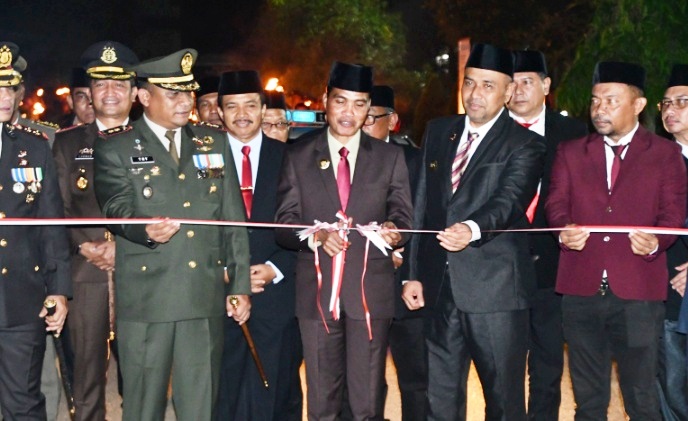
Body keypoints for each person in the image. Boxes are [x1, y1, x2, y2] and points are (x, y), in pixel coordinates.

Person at [93, 48, 251, 421]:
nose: (185, 102)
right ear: (144, 97)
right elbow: (115, 206)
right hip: (148, 298)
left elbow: (232, 219)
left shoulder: (213, 142)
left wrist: (239, 284)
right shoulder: (116, 145)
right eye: (173, 94)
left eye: (188, 93)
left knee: (200, 405)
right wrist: (144, 229)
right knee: (143, 406)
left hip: (202, 295)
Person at [403, 43, 546, 421]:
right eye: (469, 82)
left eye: (487, 85)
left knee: (503, 400)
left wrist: (471, 228)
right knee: (439, 398)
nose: (475, 93)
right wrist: (412, 274)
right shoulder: (439, 131)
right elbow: (421, 204)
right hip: (438, 288)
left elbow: (510, 201)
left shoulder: (526, 143)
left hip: (496, 292)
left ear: (508, 92)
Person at [546, 61, 687, 420]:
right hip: (580, 291)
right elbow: (556, 204)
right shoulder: (570, 151)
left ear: (638, 105)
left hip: (639, 293)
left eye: (611, 101)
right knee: (588, 400)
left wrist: (655, 243)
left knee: (641, 398)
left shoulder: (665, 154)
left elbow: (672, 214)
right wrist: (563, 229)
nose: (600, 109)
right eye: (595, 100)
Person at [275, 61, 413, 421]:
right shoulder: (298, 155)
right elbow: (283, 224)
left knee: (367, 401)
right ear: (325, 101)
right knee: (322, 400)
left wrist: (394, 230)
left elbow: (404, 216)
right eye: (340, 101)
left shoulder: (389, 156)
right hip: (317, 294)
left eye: (359, 104)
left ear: (368, 109)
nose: (349, 113)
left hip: (369, 292)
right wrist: (316, 237)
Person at [52, 40, 139, 421]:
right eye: (101, 84)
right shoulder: (66, 143)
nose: (110, 92)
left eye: (119, 84)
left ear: (134, 93)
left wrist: (124, 245)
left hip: (142, 271)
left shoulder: (152, 140)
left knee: (142, 376)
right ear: (89, 91)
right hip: (85, 274)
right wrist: (84, 245)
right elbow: (55, 207)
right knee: (86, 377)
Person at [214, 70, 300, 420]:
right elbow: (195, 225)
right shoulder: (203, 158)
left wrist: (275, 269)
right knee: (224, 392)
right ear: (219, 112)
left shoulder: (291, 158)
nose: (242, 114)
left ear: (264, 109)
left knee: (273, 391)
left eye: (251, 105)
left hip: (276, 291)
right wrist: (226, 272)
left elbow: (307, 224)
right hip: (219, 292)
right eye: (232, 106)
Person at [506, 50, 587, 421]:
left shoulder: (573, 133)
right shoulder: (490, 131)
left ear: (546, 85)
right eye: (512, 83)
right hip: (501, 267)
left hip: (555, 266)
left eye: (528, 82)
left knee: (548, 364)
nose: (519, 90)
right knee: (503, 365)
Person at [0, 41, 71, 420]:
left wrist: (58, 290)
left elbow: (51, 226)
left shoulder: (34, 147)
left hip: (21, 297)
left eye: (9, 88)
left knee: (23, 403)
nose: (4, 97)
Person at [362, 84, 425, 421]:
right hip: (362, 285)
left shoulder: (415, 161)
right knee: (366, 379)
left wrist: (404, 254)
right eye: (360, 114)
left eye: (372, 117)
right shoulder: (344, 160)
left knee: (415, 376)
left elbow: (427, 217)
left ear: (393, 120)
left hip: (406, 284)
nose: (364, 123)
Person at [655, 63, 688, 421]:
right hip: (670, 294)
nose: (670, 110)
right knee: (672, 389)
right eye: (666, 103)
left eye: (682, 101)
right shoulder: (652, 163)